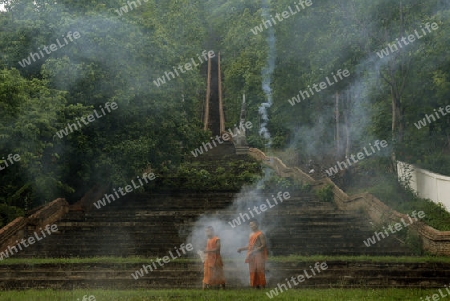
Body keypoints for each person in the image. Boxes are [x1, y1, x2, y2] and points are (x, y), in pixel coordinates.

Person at [237, 219, 268, 288]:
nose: (251, 226)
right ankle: (256, 287)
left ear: (257, 225)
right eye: (250, 225)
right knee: (253, 270)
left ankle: (263, 287)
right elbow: (250, 246)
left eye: (253, 224)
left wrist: (255, 250)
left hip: (259, 255)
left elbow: (264, 245)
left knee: (260, 270)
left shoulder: (260, 234)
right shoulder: (250, 234)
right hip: (251, 255)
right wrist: (241, 249)